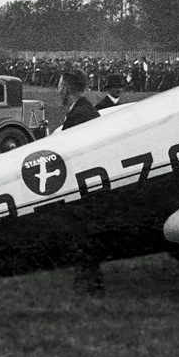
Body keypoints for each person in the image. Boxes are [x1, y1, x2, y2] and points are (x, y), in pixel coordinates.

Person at [58, 69, 104, 292]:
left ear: (65, 88)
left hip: (84, 185)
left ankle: (91, 282)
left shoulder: (81, 115)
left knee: (85, 234)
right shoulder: (84, 110)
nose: (58, 90)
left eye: (59, 85)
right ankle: (87, 277)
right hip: (86, 182)